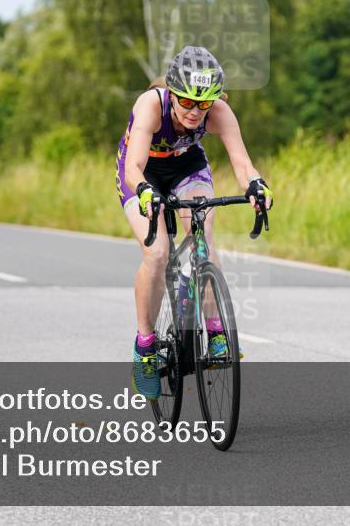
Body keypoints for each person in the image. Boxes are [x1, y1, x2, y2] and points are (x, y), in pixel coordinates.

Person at [115, 45, 273, 399]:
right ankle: (145, 346)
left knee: (203, 236)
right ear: (172, 94)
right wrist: (143, 191)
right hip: (143, 172)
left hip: (187, 165)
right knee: (156, 254)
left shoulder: (218, 111)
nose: (194, 111)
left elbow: (243, 164)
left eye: (203, 104)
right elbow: (133, 168)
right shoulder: (151, 105)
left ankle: (216, 334)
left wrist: (256, 186)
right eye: (186, 102)